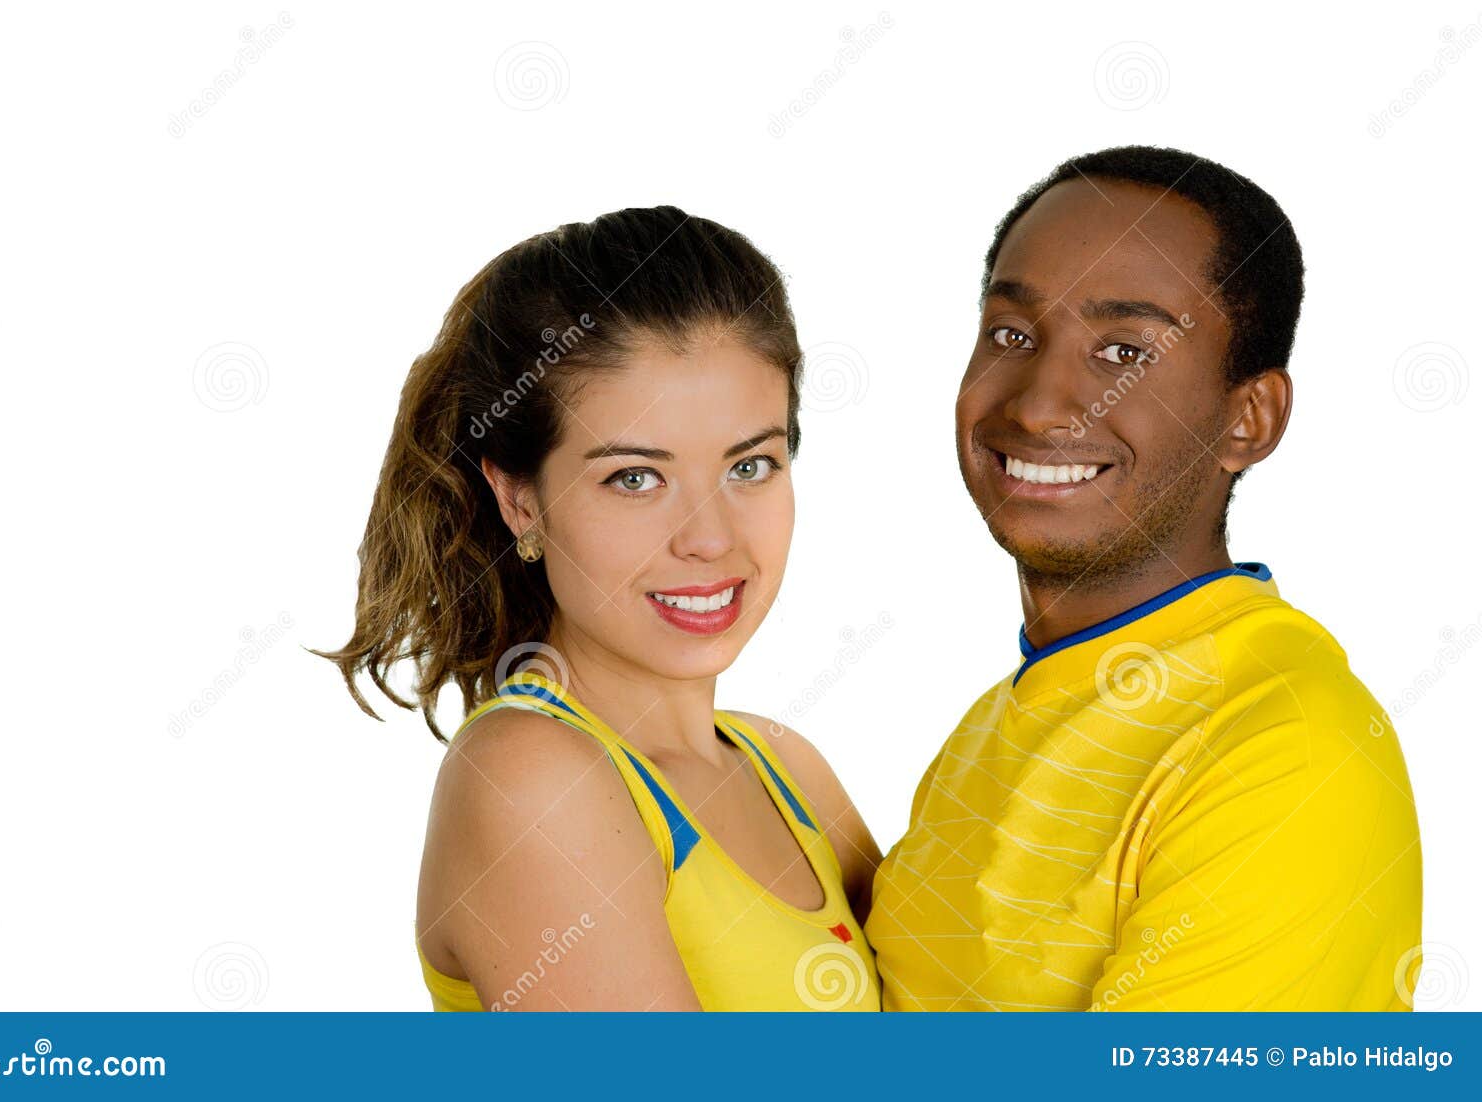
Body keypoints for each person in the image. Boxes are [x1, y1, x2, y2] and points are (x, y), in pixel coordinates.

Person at [865, 146, 1422, 1011]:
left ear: (1250, 418)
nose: (1042, 403)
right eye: (1012, 335)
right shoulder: (990, 726)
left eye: (1124, 350)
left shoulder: (1285, 747)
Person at [315, 206, 881, 1011]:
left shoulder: (788, 769)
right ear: (520, 502)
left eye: (750, 466)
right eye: (635, 478)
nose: (710, 539)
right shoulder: (528, 778)